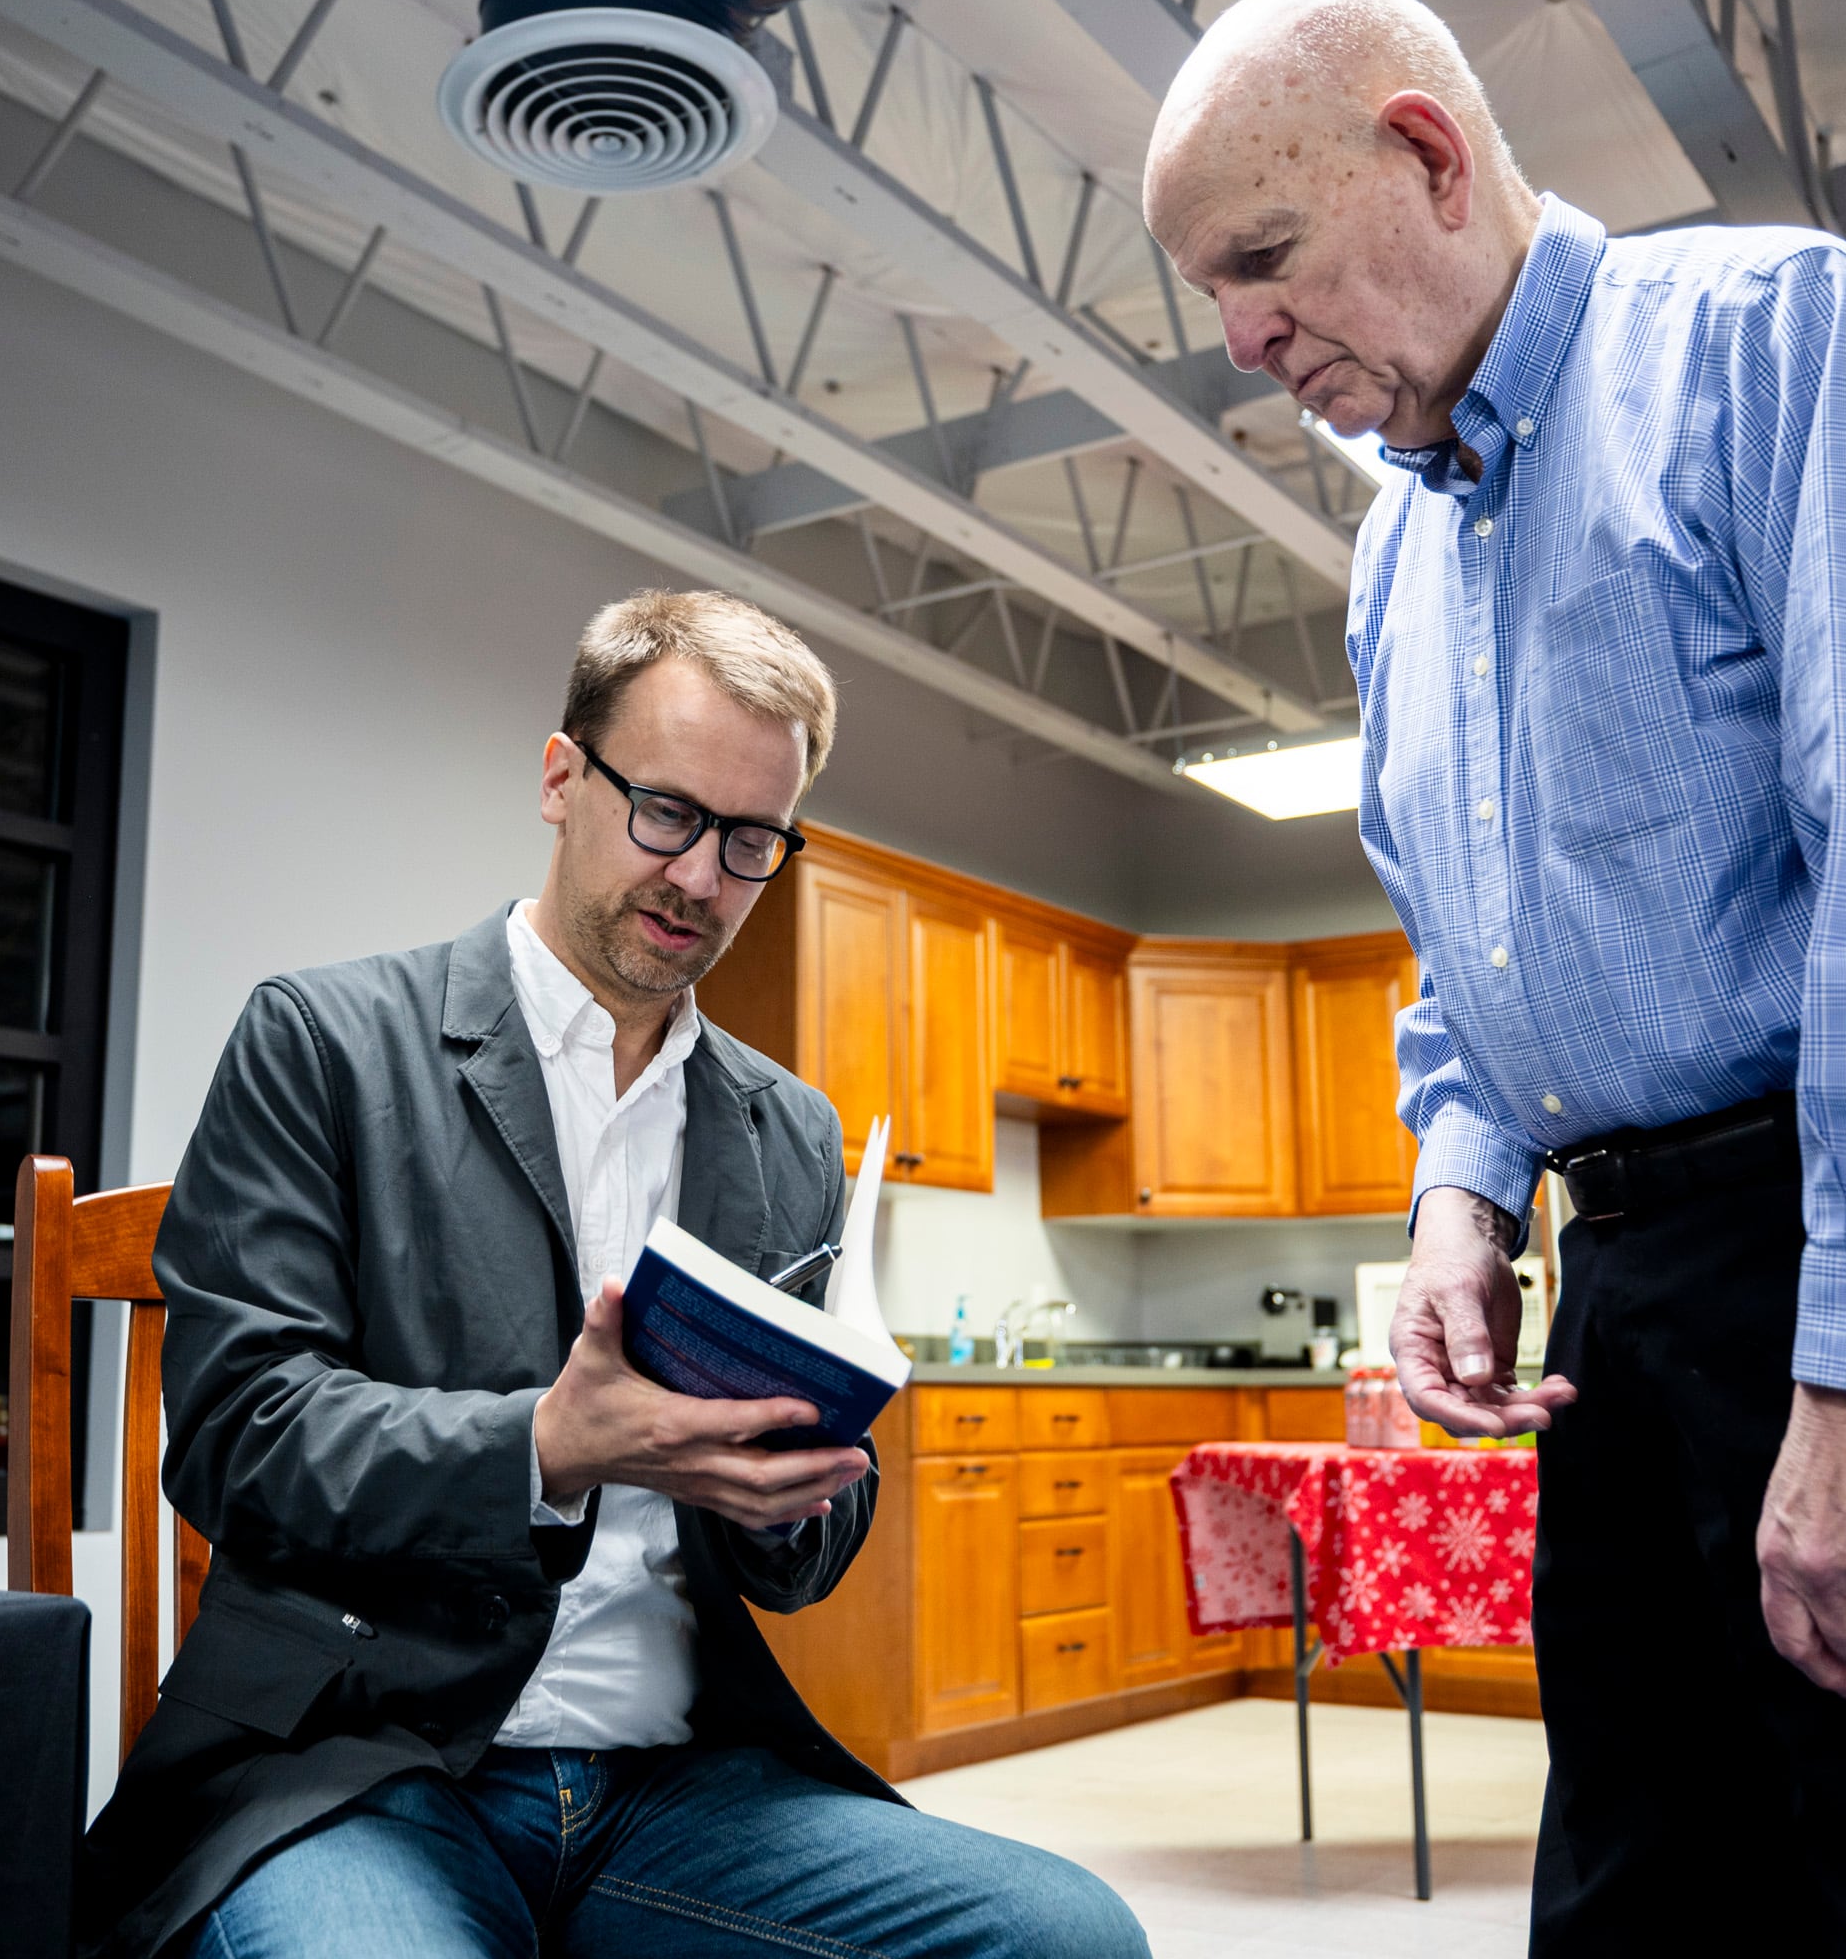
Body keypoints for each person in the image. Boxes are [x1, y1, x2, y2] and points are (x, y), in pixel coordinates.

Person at [1146, 0, 1846, 1957]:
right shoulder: (1397, 562)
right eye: (1215, 297)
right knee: (1653, 1912)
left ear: (1426, 156)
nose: (1243, 339)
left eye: (1263, 257)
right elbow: (1472, 948)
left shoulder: (1774, 339)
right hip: (1650, 1287)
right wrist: (1460, 1201)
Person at [79, 590, 1147, 1959]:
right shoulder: (325, 1042)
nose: (700, 877)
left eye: (751, 841)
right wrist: (544, 1447)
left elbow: (805, 1559)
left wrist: (793, 1494)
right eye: (667, 812)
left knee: (1072, 1937)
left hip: (679, 1788)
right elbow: (240, 1435)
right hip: (359, 1762)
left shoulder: (788, 1131)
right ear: (560, 779)